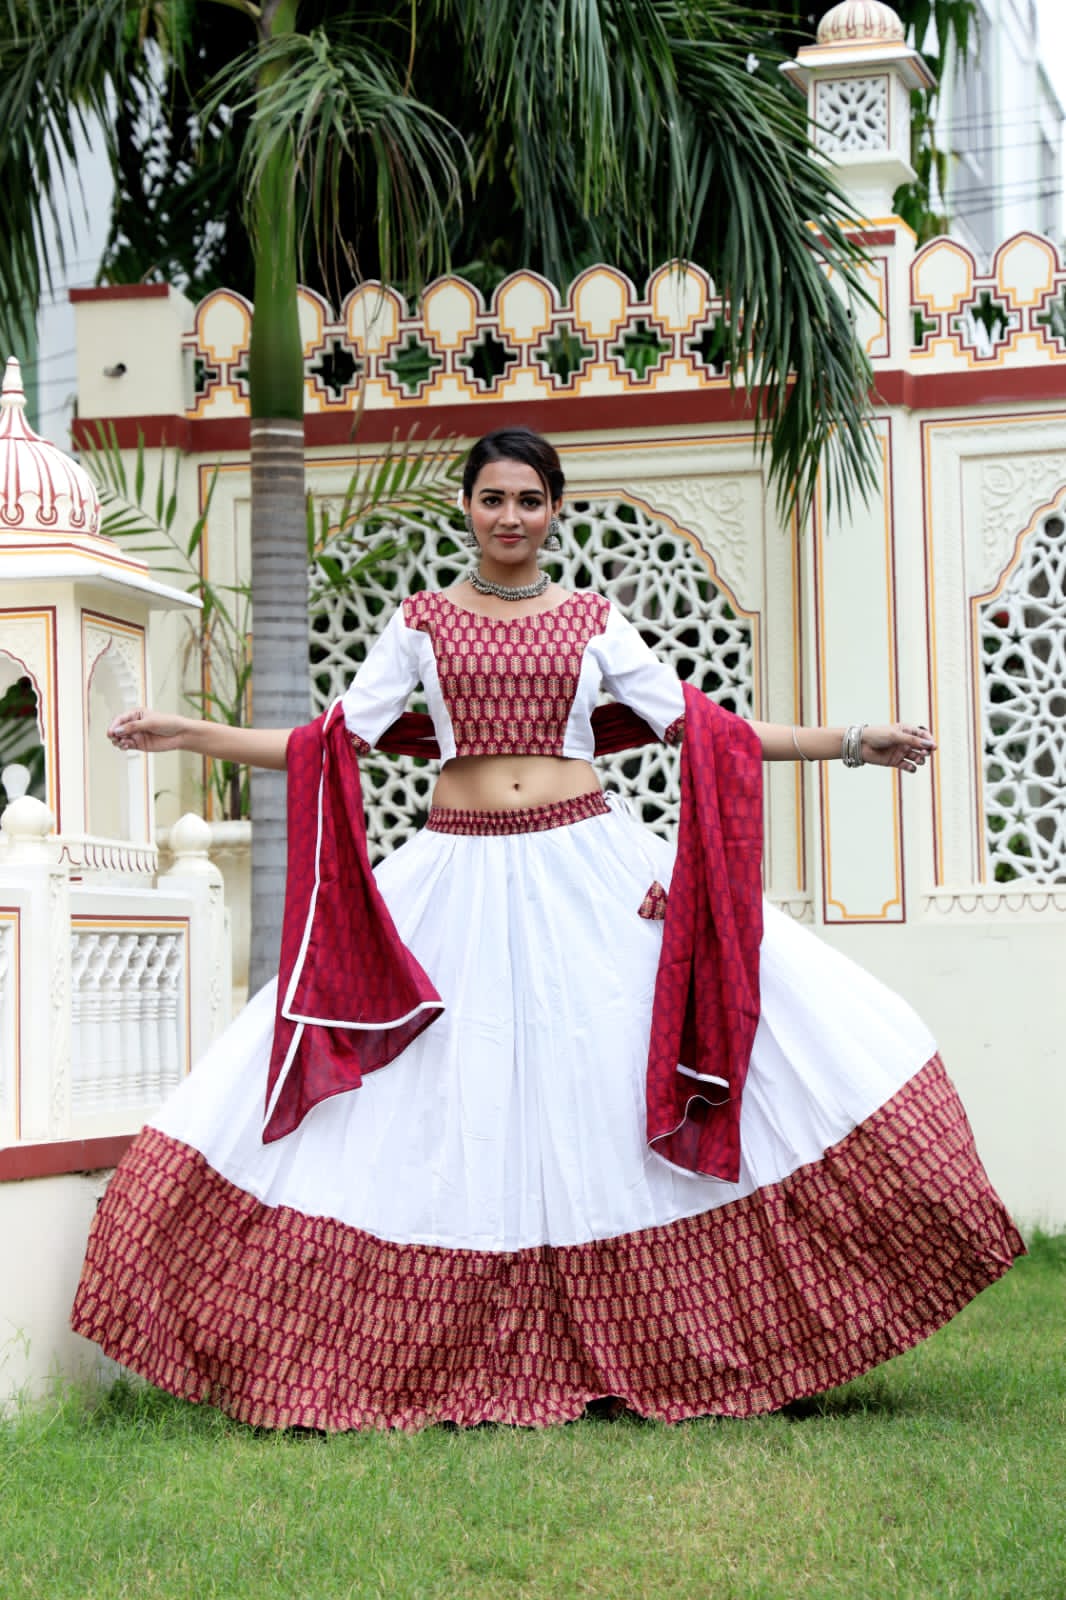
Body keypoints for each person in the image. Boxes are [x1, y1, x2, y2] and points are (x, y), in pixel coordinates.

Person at [72, 427, 1023, 1432]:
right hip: (457, 873)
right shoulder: (421, 624)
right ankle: (409, 1347)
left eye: (529, 498)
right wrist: (190, 732)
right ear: (467, 508)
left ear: (554, 508)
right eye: (493, 497)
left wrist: (850, 742)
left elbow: (707, 732)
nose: (510, 516)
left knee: (602, 1090)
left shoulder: (594, 622)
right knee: (442, 1096)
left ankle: (678, 1339)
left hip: (586, 868)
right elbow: (327, 740)